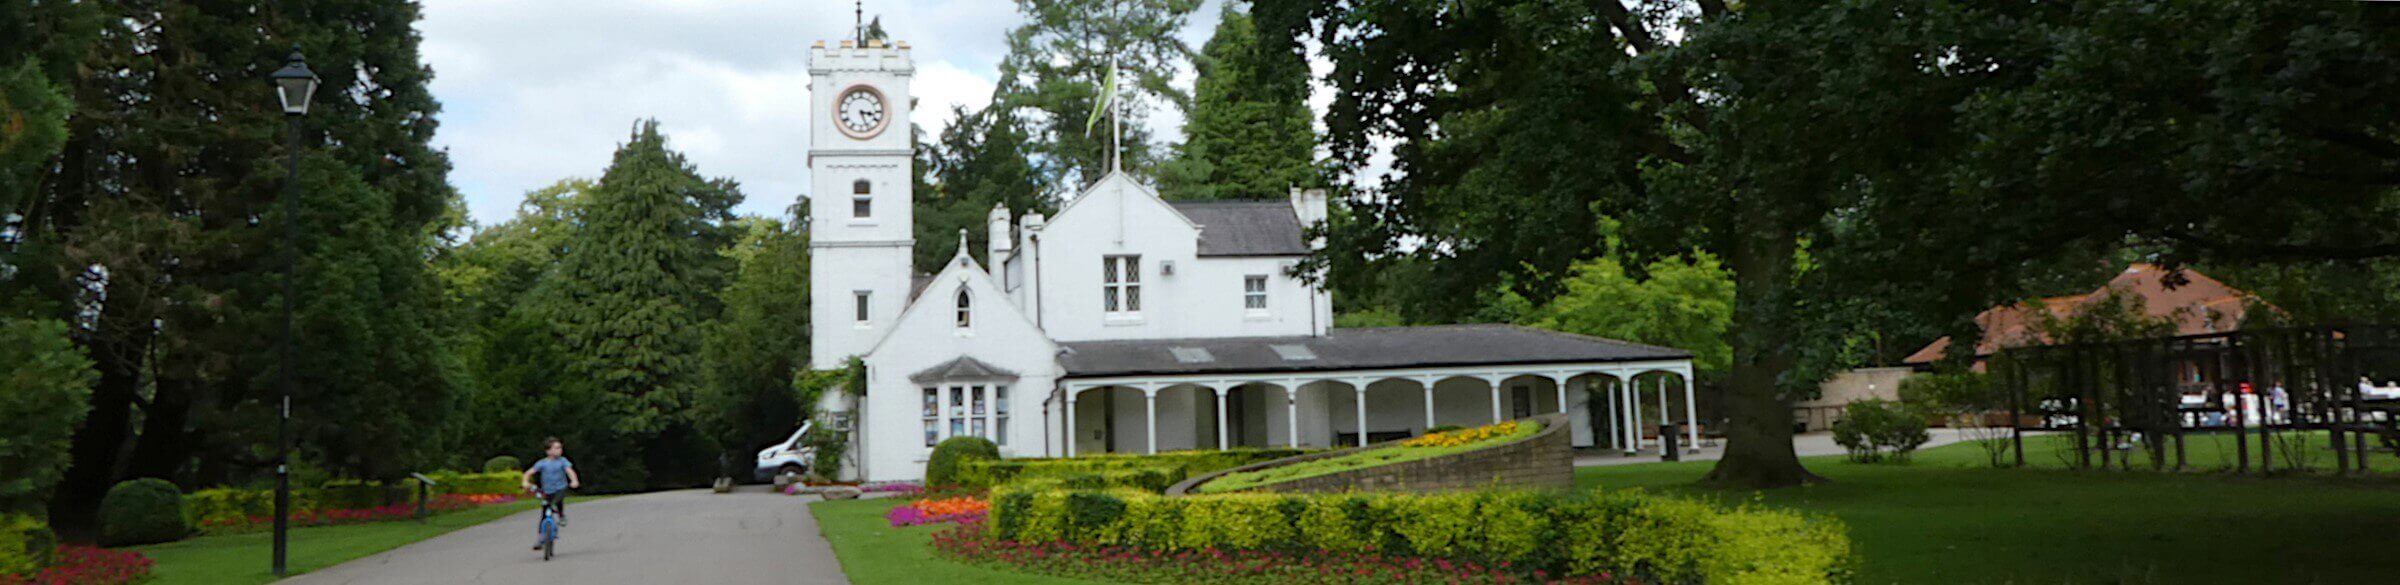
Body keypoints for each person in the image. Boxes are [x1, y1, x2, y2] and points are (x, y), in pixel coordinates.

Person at [521, 437, 580, 550]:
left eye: (560, 448)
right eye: (556, 448)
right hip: (547, 491)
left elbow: (569, 471)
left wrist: (574, 481)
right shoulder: (542, 463)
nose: (560, 450)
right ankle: (540, 538)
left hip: (560, 488)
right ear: (548, 451)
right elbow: (529, 472)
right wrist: (525, 481)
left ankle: (561, 515)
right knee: (544, 514)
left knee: (557, 502)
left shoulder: (562, 461)